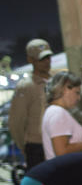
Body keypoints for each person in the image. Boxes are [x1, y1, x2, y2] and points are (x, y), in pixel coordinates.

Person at [9, 39, 53, 169]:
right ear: (30, 60)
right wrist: (26, 146)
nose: (47, 62)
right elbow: (16, 122)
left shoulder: (55, 82)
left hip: (57, 143)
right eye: (41, 59)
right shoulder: (26, 86)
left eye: (48, 57)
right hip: (37, 146)